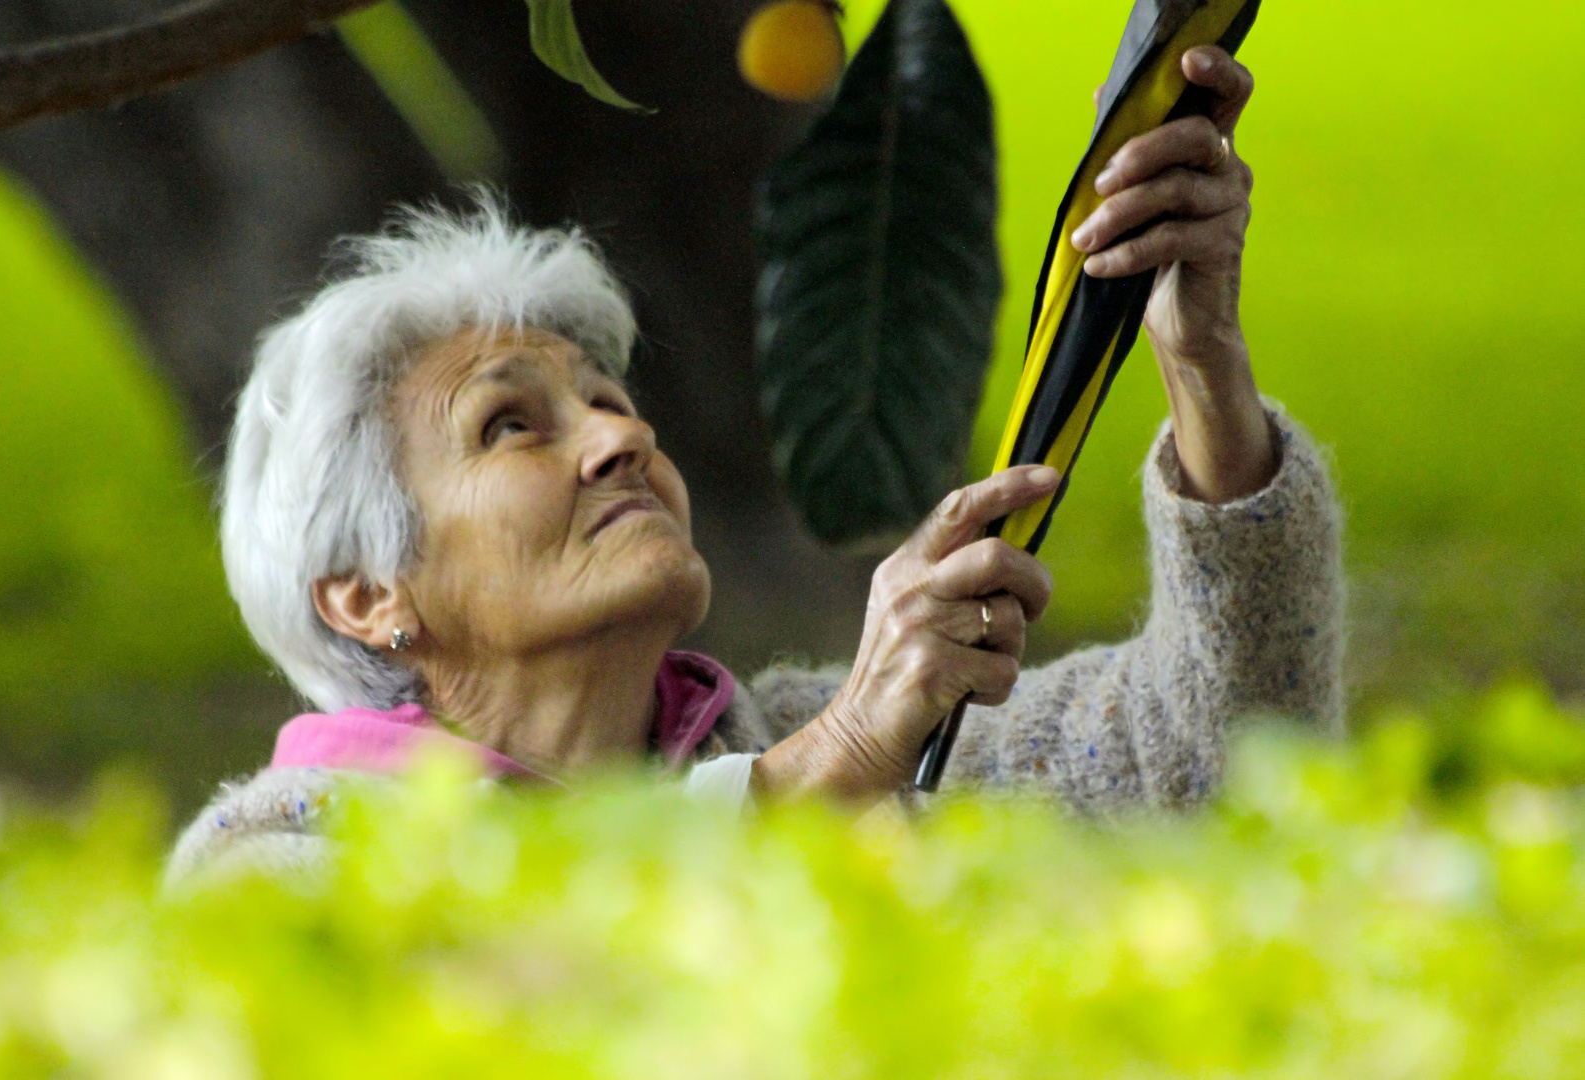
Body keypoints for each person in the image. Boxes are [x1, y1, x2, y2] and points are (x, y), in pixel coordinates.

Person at [169, 47, 1342, 882]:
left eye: (611, 402)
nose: (622, 439)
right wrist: (818, 775)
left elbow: (1225, 771)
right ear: (369, 594)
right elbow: (500, 956)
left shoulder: (820, 732)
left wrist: (1200, 368)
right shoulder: (279, 858)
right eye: (510, 425)